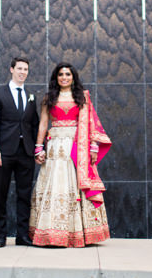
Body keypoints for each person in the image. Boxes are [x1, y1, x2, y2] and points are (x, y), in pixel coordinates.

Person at [29, 62, 110, 247]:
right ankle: (51, 232)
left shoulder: (82, 97)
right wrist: (38, 147)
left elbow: (90, 124)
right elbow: (43, 123)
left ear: (73, 77)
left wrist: (93, 147)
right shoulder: (49, 98)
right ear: (56, 78)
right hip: (56, 147)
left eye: (67, 74)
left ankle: (80, 233)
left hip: (77, 147)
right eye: (60, 74)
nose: (64, 77)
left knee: (76, 186)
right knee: (56, 185)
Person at [0, 57, 40, 248]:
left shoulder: (31, 96)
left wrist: (37, 148)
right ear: (11, 69)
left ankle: (22, 235)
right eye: (19, 68)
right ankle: (1, 235)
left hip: (25, 153)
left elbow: (34, 124)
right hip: (4, 153)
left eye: (26, 69)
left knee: (24, 195)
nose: (22, 72)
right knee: (0, 194)